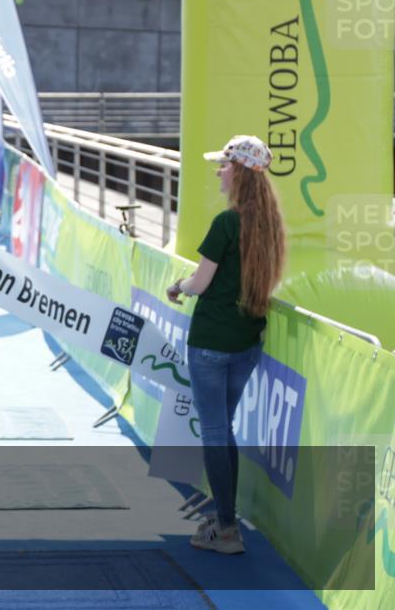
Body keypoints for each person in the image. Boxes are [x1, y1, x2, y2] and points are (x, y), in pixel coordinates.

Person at [165, 135, 285, 555]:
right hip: (246, 343)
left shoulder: (226, 223)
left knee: (215, 432)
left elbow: (199, 283)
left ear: (239, 172)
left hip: (212, 342)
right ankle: (225, 519)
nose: (219, 171)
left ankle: (227, 528)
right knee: (223, 429)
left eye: (224, 165)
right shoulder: (268, 224)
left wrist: (177, 286)